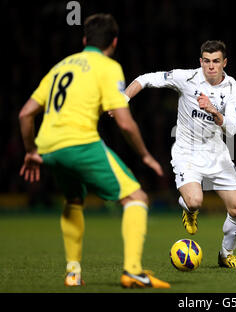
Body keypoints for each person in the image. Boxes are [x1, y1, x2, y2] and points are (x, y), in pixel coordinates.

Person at [18, 13, 170, 288]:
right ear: (114, 41)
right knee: (136, 197)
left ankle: (73, 271)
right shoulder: (108, 66)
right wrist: (145, 155)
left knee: (74, 199)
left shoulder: (60, 66)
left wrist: (31, 151)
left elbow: (25, 114)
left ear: (85, 39)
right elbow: (124, 122)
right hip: (80, 143)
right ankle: (133, 270)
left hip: (49, 148)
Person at [123, 40, 236, 269]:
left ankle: (226, 254)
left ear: (224, 63)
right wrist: (123, 99)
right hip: (187, 152)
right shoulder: (187, 78)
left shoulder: (234, 88)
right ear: (200, 62)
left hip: (217, 152)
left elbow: (231, 129)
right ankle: (189, 210)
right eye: (207, 61)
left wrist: (213, 110)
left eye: (216, 61)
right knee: (195, 201)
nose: (211, 66)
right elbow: (146, 78)